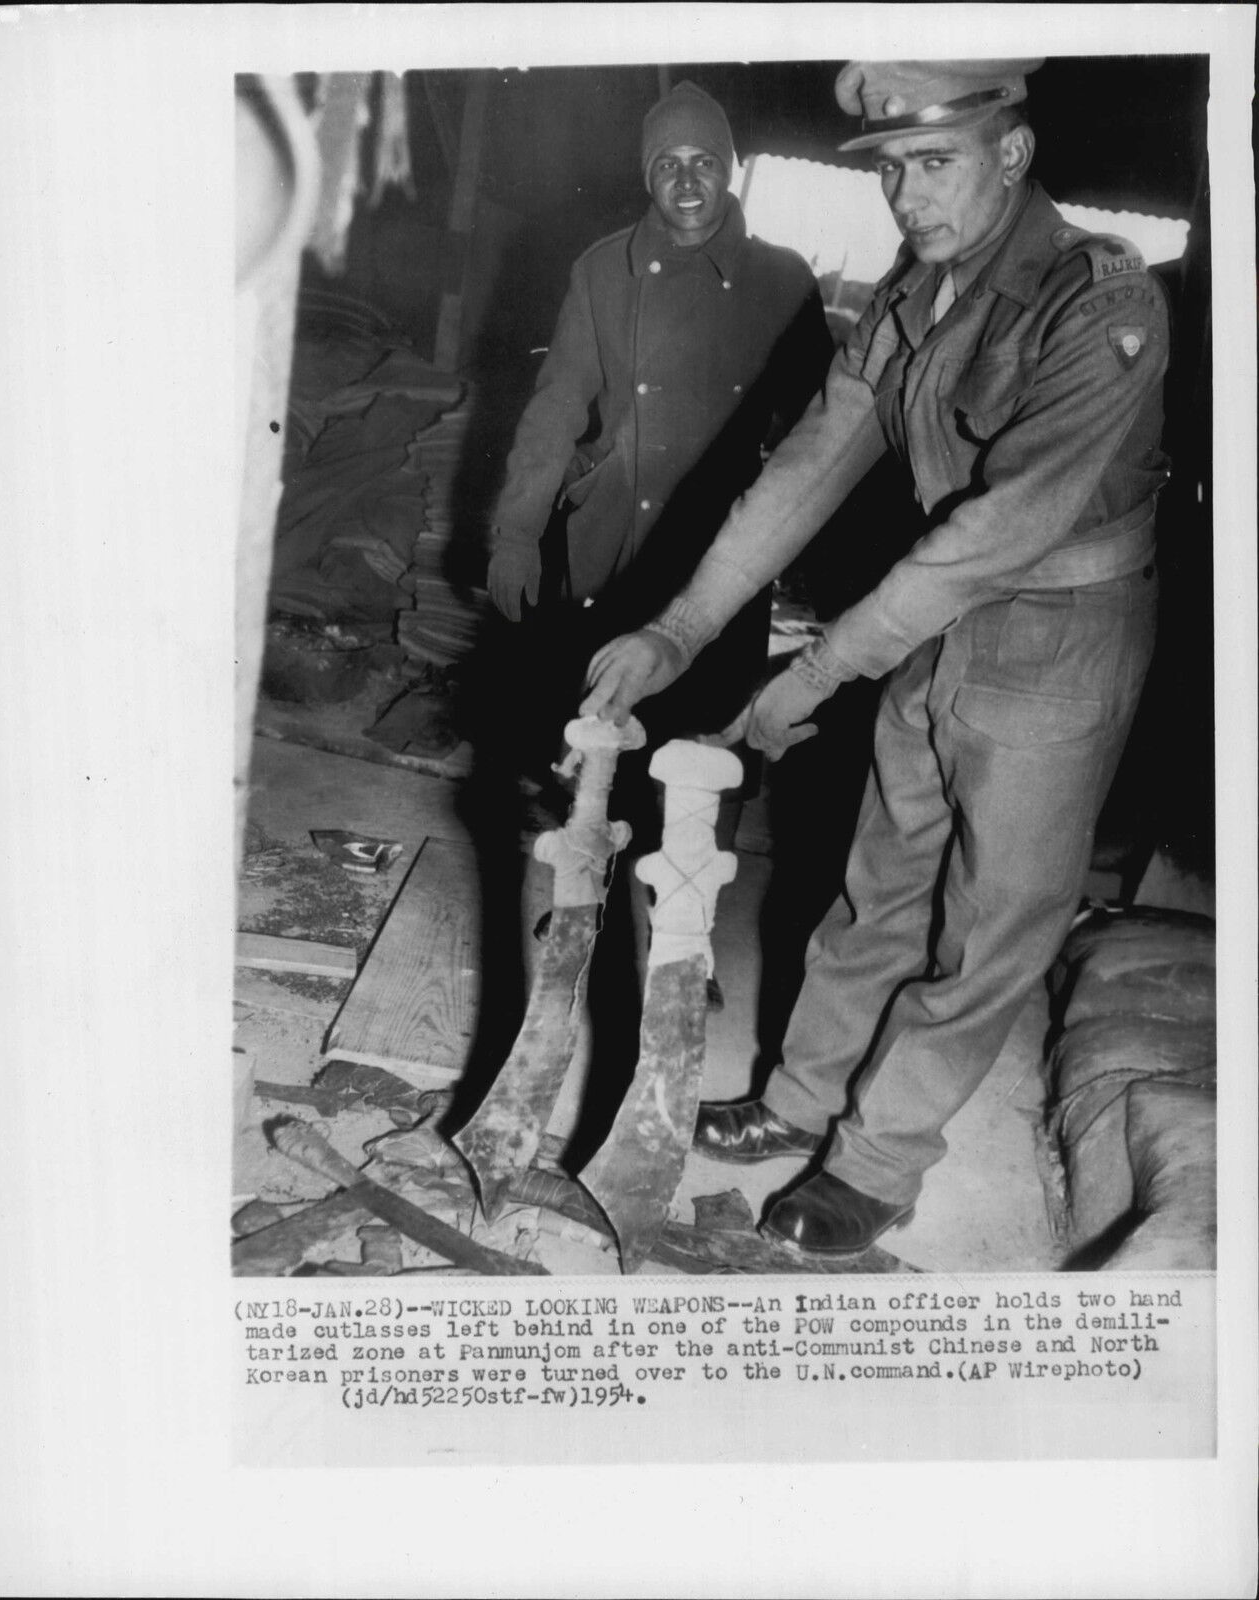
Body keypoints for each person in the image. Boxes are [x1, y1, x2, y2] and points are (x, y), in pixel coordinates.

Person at [581, 59, 1171, 1256]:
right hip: (932, 618)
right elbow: (807, 464)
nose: (906, 197)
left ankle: (875, 1161)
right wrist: (678, 628)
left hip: (1054, 639)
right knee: (878, 885)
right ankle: (799, 1104)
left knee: (990, 917)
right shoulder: (916, 292)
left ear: (1011, 152)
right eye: (892, 170)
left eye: (934, 163)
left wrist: (815, 668)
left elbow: (999, 530)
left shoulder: (1098, 298)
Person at [481, 79, 831, 851]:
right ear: (647, 175)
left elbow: (827, 430)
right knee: (597, 735)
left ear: (731, 169)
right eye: (667, 164)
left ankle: (686, 920)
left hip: (719, 551)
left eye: (704, 160)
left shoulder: (782, 280)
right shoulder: (602, 271)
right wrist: (516, 531)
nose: (686, 181)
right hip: (610, 540)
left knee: (705, 739)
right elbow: (557, 404)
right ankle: (590, 895)